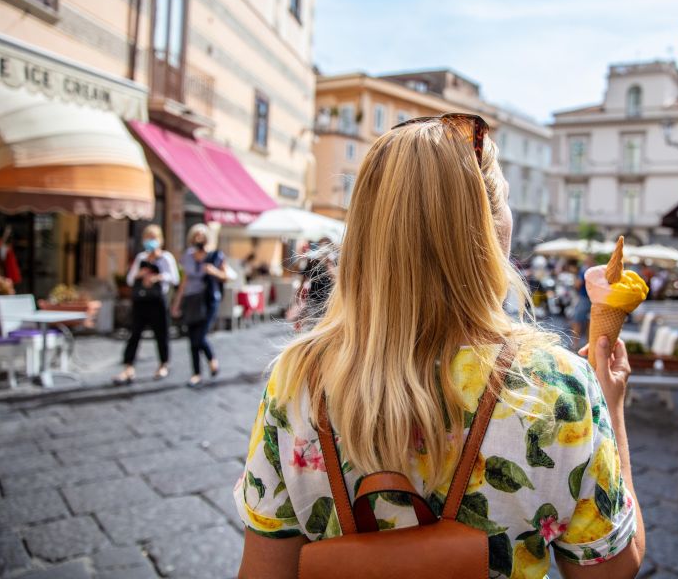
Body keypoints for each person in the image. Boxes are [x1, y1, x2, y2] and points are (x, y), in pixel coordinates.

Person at [235, 114, 644, 579]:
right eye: (504, 202)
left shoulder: (298, 376)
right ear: (486, 229)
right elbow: (610, 570)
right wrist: (611, 408)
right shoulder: (557, 385)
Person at [114, 225, 178, 384]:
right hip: (141, 301)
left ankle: (163, 364)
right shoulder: (141, 258)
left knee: (161, 334)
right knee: (134, 334)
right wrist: (139, 274)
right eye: (148, 238)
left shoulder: (165, 258)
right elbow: (129, 279)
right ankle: (128, 367)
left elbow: (175, 278)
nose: (150, 241)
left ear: (160, 240)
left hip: (158, 300)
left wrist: (159, 277)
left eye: (153, 238)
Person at [172, 224, 229, 387]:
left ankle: (211, 359)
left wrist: (213, 271)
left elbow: (225, 277)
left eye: (202, 235)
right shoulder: (188, 256)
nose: (198, 238)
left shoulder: (216, 255)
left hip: (209, 300)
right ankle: (196, 373)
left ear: (207, 238)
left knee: (200, 336)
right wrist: (177, 302)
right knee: (192, 338)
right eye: (196, 235)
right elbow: (184, 281)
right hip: (191, 299)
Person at [571, 255, 594, 349]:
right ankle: (589, 345)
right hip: (593, 299)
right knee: (590, 323)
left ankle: (575, 344)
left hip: (584, 298)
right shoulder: (594, 270)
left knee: (577, 321)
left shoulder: (584, 270)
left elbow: (578, 284)